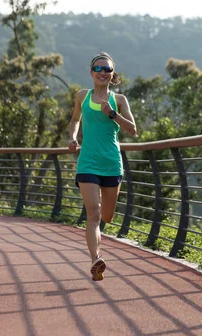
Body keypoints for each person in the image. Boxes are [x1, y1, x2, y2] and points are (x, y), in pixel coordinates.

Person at [68, 52, 137, 281]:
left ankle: (98, 250)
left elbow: (133, 130)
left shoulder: (119, 100)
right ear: (91, 72)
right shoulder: (82, 96)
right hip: (87, 162)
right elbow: (75, 120)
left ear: (112, 74)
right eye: (98, 69)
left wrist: (112, 114)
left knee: (107, 216)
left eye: (107, 69)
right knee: (94, 214)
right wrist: (73, 137)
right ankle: (96, 259)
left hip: (111, 164)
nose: (102, 73)